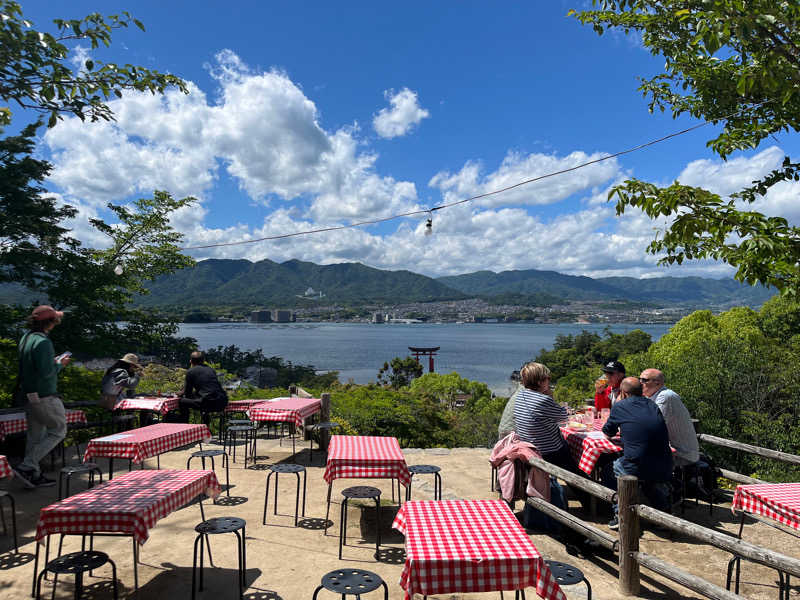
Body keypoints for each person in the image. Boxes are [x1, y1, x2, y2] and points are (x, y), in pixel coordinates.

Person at [602, 377, 673, 529]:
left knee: (608, 470)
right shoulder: (652, 405)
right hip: (666, 463)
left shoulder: (620, 406)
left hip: (638, 465)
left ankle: (620, 514)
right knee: (648, 479)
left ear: (624, 392)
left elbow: (607, 434)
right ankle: (663, 512)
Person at [13, 305, 71, 488]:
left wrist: (52, 362)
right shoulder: (44, 342)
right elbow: (47, 373)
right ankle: (27, 465)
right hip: (46, 395)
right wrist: (60, 364)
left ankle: (33, 475)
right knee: (59, 430)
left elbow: (33, 367)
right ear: (51, 322)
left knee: (35, 435)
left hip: (29, 394)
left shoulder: (26, 338)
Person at [640, 368, 699, 467]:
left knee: (632, 463)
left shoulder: (666, 397)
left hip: (682, 455)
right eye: (639, 379)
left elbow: (652, 426)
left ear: (657, 383)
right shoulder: (650, 397)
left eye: (644, 380)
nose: (640, 383)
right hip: (668, 450)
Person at [178, 351, 229, 424]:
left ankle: (184, 426)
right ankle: (205, 425)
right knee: (203, 399)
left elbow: (187, 393)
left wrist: (180, 393)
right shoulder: (210, 369)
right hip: (222, 401)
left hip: (209, 402)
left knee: (182, 402)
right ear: (204, 361)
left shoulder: (190, 371)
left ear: (191, 361)